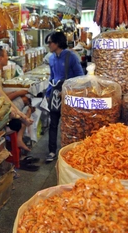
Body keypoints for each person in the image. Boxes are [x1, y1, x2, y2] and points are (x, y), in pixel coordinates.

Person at [45, 31, 84, 162]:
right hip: (55, 93)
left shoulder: (71, 56)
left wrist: (68, 91)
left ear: (57, 43)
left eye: (50, 42)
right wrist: (48, 93)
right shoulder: (51, 58)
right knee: (53, 123)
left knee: (69, 124)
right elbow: (52, 77)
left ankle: (69, 150)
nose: (48, 45)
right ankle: (51, 151)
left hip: (69, 95)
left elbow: (80, 76)